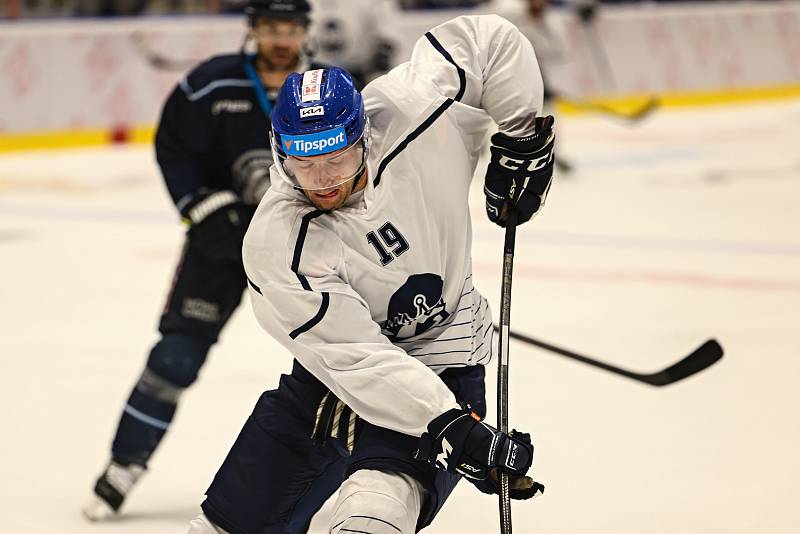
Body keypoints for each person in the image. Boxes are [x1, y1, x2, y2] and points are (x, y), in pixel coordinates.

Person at [187, 13, 556, 534]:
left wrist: (523, 139)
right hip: (329, 378)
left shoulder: (411, 108)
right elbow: (358, 358)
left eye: (335, 159)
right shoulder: (277, 242)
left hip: (444, 359)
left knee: (373, 517)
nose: (321, 181)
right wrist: (454, 430)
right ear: (279, 151)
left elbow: (487, 39)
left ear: (363, 135)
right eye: (302, 164)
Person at [83, 0, 328, 521]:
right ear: (253, 29)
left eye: (290, 27)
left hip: (304, 251)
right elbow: (173, 146)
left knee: (338, 362)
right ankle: (124, 465)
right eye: (270, 27)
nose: (281, 38)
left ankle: (343, 477)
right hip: (221, 245)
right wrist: (202, 206)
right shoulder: (211, 84)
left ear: (305, 30)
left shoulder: (325, 90)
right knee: (175, 356)